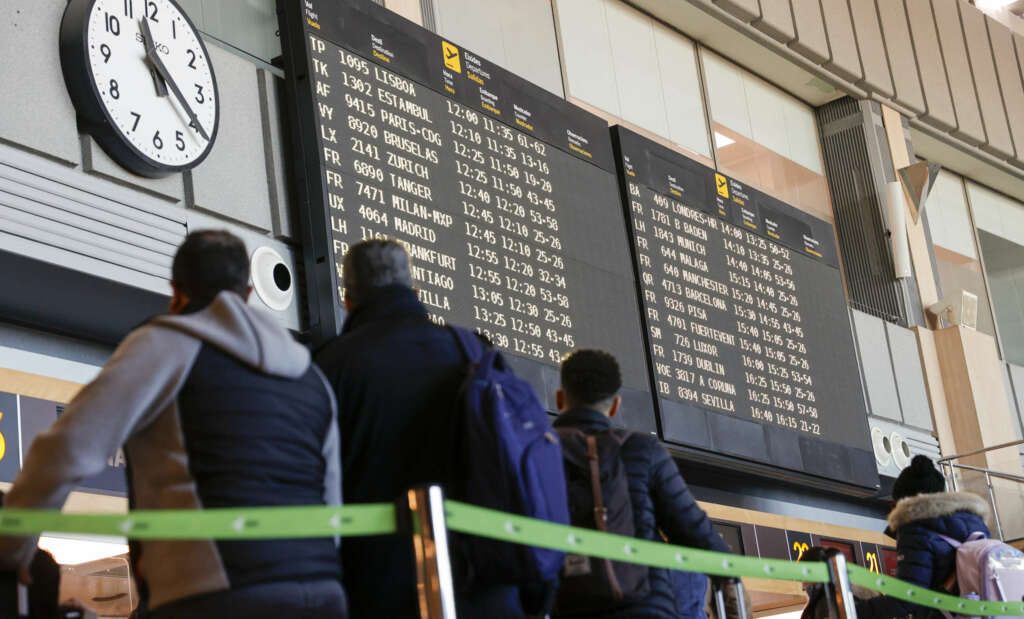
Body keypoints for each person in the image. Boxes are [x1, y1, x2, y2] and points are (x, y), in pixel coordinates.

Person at [0, 230, 346, 619]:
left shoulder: (165, 346)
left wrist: (13, 549)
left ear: (176, 293)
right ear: (248, 293)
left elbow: (68, 450)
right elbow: (330, 498)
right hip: (323, 593)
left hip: (215, 594)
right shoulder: (312, 379)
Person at [316, 239, 526, 618]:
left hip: (379, 589)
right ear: (415, 292)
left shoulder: (331, 365)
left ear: (348, 300)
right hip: (487, 585)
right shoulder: (475, 352)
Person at [553, 349, 741, 619]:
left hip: (567, 603)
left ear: (560, 398)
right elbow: (691, 528)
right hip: (645, 605)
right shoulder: (641, 448)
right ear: (615, 405)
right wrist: (730, 573)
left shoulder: (536, 448)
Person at [856, 455, 990, 619]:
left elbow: (906, 599)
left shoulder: (917, 528)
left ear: (903, 502)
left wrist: (852, 611)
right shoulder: (975, 525)